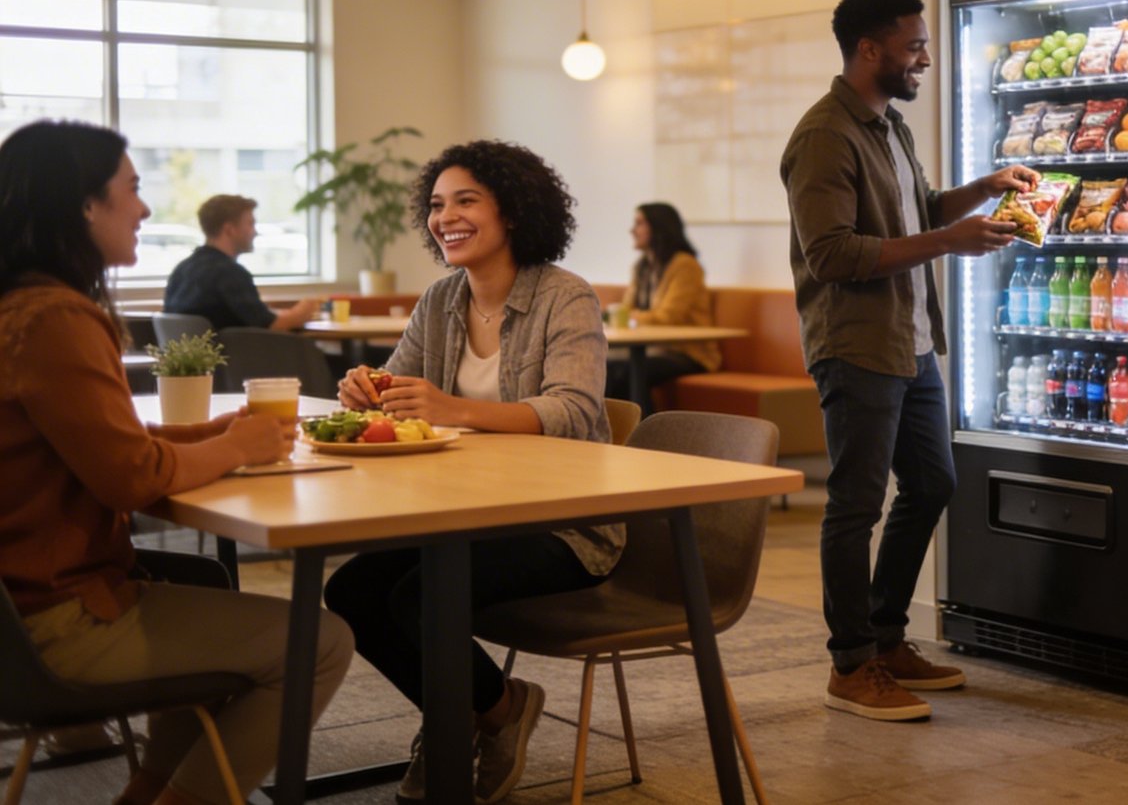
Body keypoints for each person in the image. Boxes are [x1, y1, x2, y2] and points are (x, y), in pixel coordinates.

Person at [0, 120, 352, 805]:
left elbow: (97, 448)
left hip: (16, 606)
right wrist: (235, 448)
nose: (145, 208)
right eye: (131, 189)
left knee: (208, 582)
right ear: (83, 206)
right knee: (322, 642)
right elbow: (130, 478)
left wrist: (214, 435)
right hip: (52, 621)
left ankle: (152, 788)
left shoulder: (17, 308)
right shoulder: (55, 319)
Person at [323, 139, 612, 804]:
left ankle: (467, 719)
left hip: (562, 523)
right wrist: (367, 388)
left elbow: (571, 410)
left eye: (465, 201)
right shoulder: (442, 298)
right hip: (467, 511)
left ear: (511, 211)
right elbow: (401, 381)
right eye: (436, 205)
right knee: (351, 594)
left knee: (420, 598)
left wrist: (452, 407)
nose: (444, 217)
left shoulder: (565, 297)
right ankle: (494, 709)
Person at [781, 0, 1038, 722]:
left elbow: (914, 211)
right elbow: (830, 255)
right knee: (855, 506)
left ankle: (887, 638)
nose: (924, 56)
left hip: (913, 340)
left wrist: (978, 193)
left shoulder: (889, 125)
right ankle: (850, 664)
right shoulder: (824, 136)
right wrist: (951, 242)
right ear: (870, 50)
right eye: (914, 44)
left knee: (931, 484)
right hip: (857, 345)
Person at [615, 202, 721, 414]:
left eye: (639, 223)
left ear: (658, 227)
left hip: (688, 353)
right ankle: (614, 435)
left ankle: (644, 439)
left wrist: (630, 317)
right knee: (605, 366)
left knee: (631, 370)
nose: (632, 230)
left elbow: (669, 316)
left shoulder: (685, 265)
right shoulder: (641, 266)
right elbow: (625, 310)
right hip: (653, 349)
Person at [163, 193, 321, 331]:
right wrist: (302, 312)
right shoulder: (229, 273)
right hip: (234, 363)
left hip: (192, 362)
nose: (255, 232)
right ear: (229, 230)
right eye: (250, 224)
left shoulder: (181, 270)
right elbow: (269, 324)